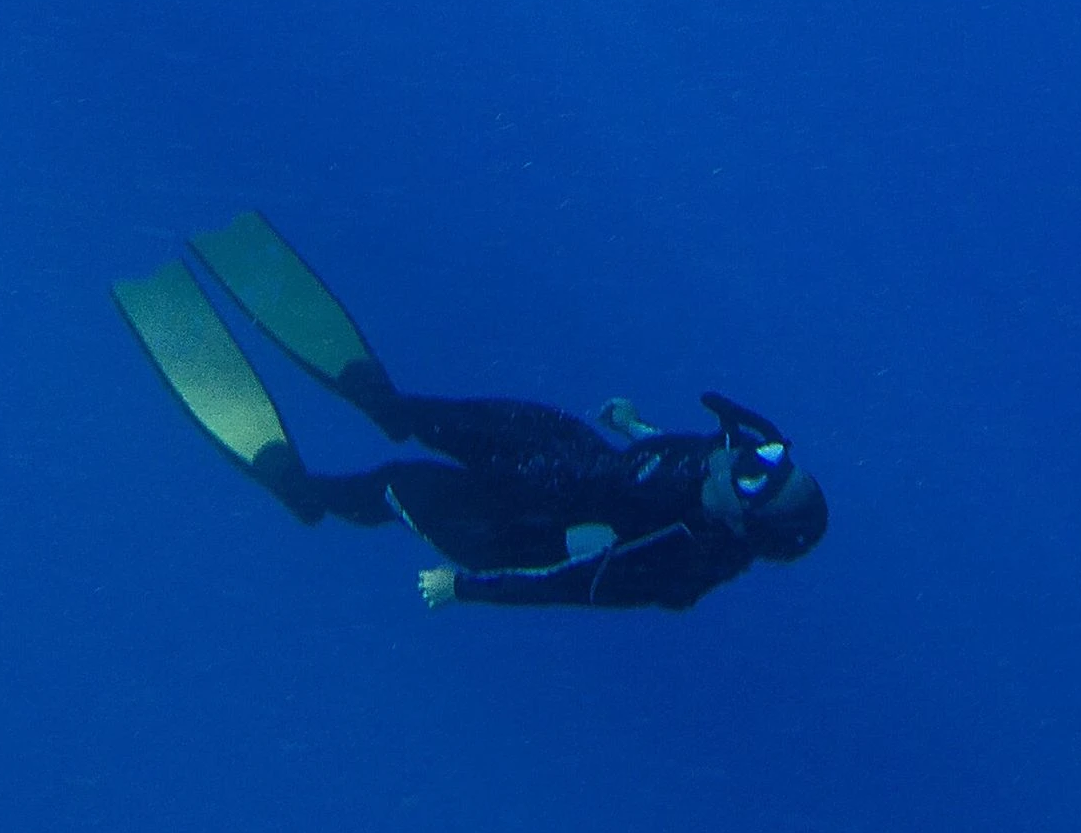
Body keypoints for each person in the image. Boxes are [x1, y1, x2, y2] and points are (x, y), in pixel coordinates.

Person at [113, 212, 827, 611]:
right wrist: (635, 425)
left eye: (752, 477)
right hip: (570, 459)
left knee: (398, 482)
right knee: (436, 419)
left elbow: (570, 587)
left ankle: (304, 491)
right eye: (763, 455)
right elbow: (689, 446)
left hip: (525, 532)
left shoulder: (675, 557)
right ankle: (389, 404)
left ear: (737, 519)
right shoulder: (739, 450)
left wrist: (467, 588)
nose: (743, 456)